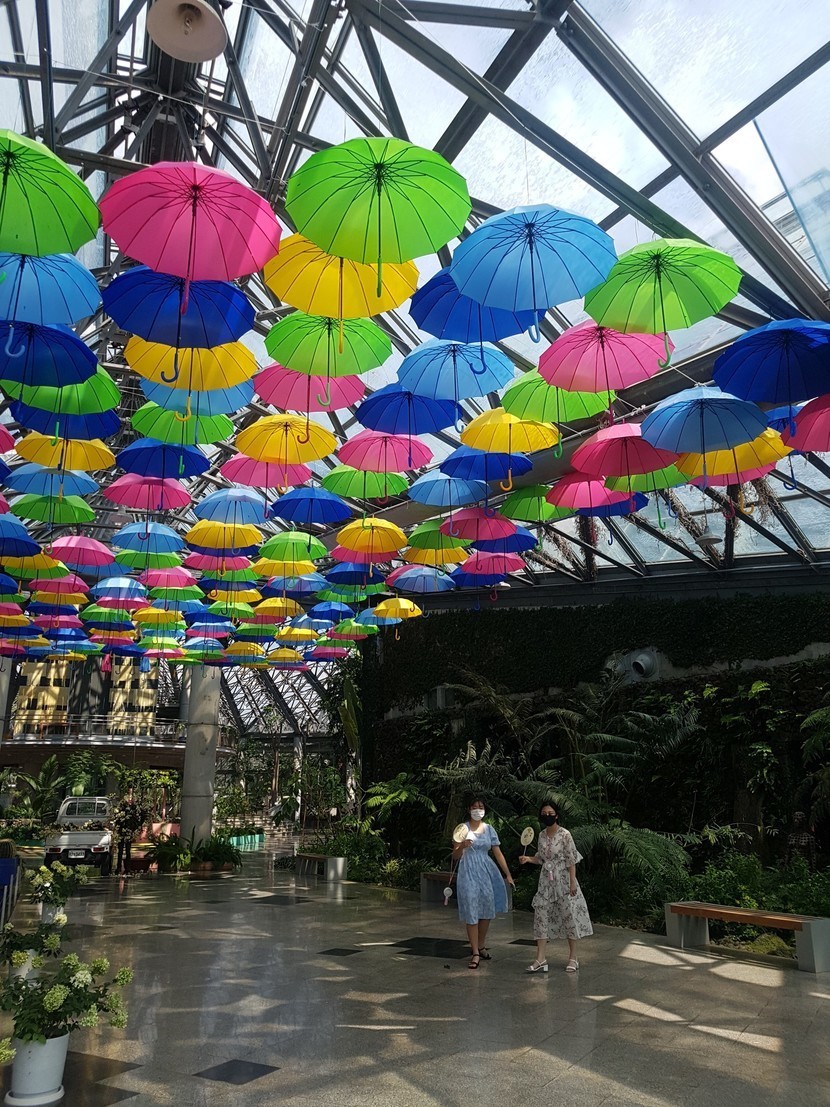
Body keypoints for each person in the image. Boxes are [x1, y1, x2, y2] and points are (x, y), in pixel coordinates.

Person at [519, 800, 592, 974]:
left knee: (569, 916)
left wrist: (572, 882)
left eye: (551, 813)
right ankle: (540, 958)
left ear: (557, 815)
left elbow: (571, 860)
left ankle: (573, 957)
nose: (547, 816)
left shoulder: (565, 834)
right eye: (544, 813)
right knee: (541, 916)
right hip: (546, 882)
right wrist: (528, 859)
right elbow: (541, 858)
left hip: (563, 880)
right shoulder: (541, 835)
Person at [452, 795, 515, 970]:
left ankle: (481, 945)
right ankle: (475, 952)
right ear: (469, 809)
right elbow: (454, 856)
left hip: (486, 870)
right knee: (472, 909)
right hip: (468, 870)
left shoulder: (489, 829)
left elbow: (498, 853)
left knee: (486, 909)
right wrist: (462, 846)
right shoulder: (462, 829)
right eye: (474, 807)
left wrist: (508, 874)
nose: (477, 810)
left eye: (480, 807)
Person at [112, 795, 148, 876]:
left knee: (127, 851)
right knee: (120, 851)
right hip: (122, 831)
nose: (129, 801)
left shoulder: (134, 809)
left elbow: (140, 817)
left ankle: (127, 868)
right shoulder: (121, 809)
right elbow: (116, 819)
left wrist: (135, 827)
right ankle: (119, 868)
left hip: (128, 831)